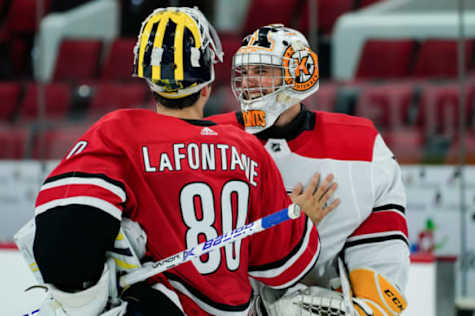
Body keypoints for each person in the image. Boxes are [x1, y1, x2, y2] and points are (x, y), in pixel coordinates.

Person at [27, 8, 332, 316]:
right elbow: (285, 268)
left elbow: (63, 239)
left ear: (149, 79)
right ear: (208, 82)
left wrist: (83, 301)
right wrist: (300, 221)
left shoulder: (119, 133)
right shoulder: (248, 149)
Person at [208, 24, 409, 315]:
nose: (249, 83)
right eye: (245, 72)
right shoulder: (210, 138)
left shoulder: (360, 147)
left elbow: (382, 268)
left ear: (299, 75)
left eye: (262, 72)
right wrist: (289, 222)